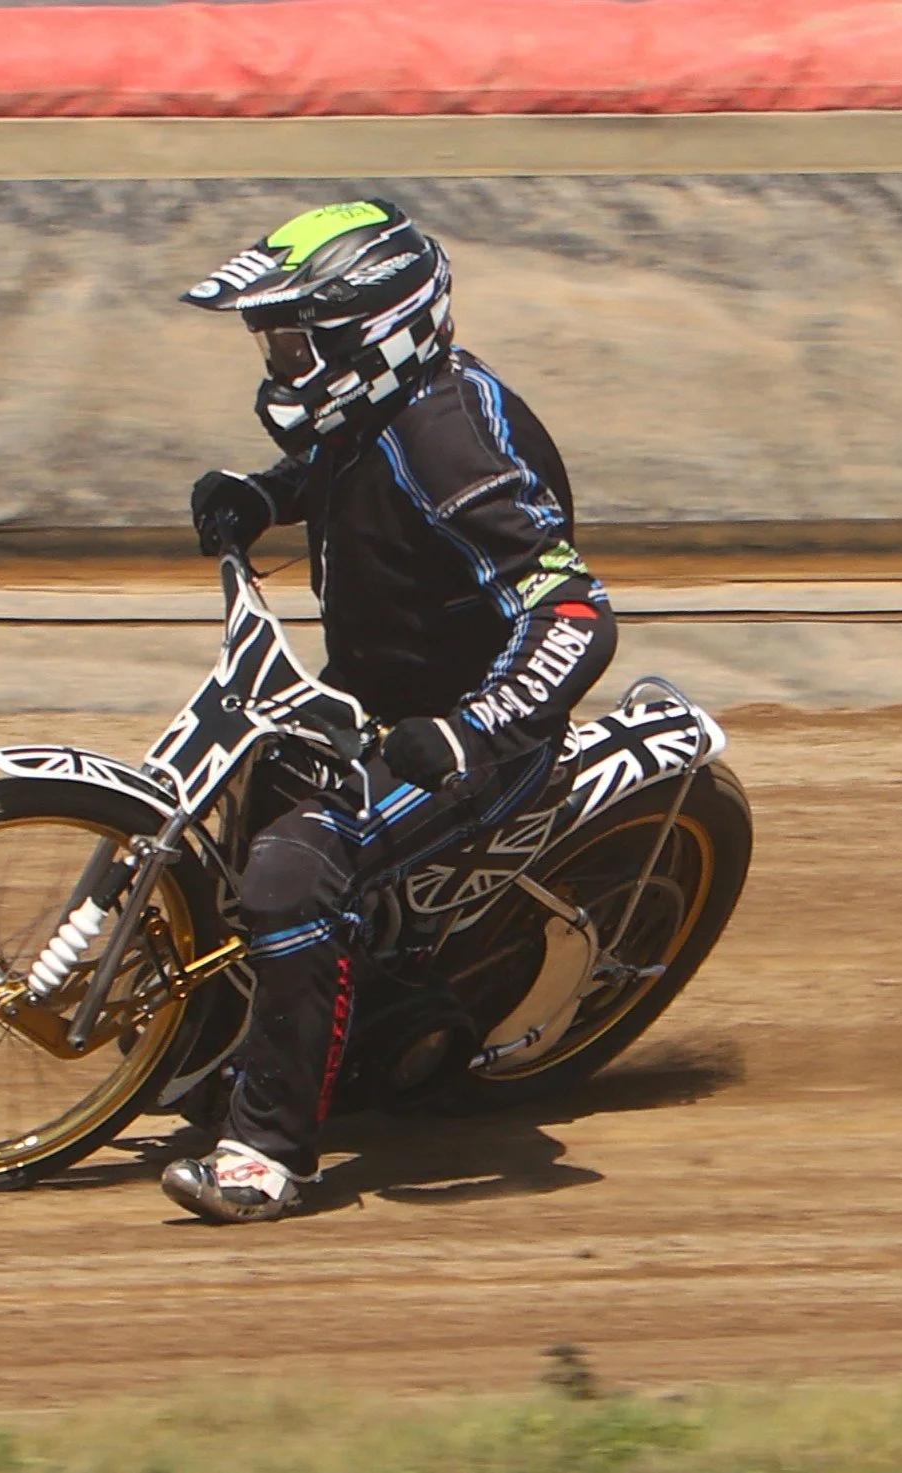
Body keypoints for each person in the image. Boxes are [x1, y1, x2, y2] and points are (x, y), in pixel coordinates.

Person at [160, 199, 619, 1223]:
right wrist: (264, 497)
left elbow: (577, 613)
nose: (277, 363)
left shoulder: (454, 446)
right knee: (251, 796)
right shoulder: (372, 408)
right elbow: (343, 468)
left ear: (368, 334)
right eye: (269, 341)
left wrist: (474, 728)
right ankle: (228, 1035)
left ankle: (273, 1158)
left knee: (291, 872)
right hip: (375, 699)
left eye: (291, 341)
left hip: (473, 736)